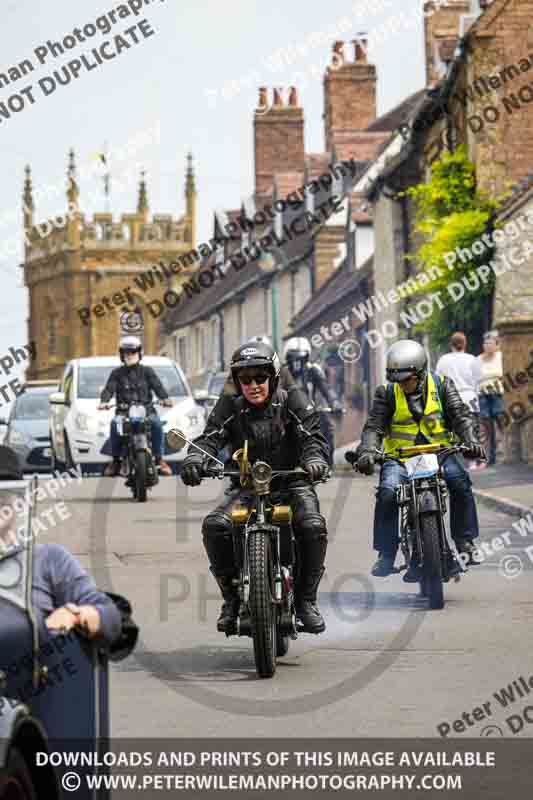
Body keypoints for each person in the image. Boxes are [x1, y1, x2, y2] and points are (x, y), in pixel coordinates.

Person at [180, 340, 330, 634]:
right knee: (215, 526)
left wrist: (313, 459)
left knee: (312, 526)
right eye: (245, 379)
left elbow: (313, 435)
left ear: (272, 377)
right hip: (247, 487)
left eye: (260, 377)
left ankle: (305, 601)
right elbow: (209, 436)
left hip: (292, 483)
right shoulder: (230, 404)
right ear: (237, 382)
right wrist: (195, 458)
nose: (253, 385)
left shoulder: (292, 398)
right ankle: (232, 599)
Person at [345, 339, 485, 580]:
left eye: (407, 379)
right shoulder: (386, 393)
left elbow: (460, 416)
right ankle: (386, 554)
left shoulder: (442, 385)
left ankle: (465, 541)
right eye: (397, 379)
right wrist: (367, 451)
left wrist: (471, 439)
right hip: (399, 457)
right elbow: (374, 427)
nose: (402, 384)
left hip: (440, 452)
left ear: (420, 373)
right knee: (388, 492)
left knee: (460, 482)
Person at [0, 445, 121, 645]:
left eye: (6, 488)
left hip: (34, 670)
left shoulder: (49, 559)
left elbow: (110, 615)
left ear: (20, 498)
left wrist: (76, 615)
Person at [97, 336, 174, 476]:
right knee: (115, 424)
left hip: (147, 411)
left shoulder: (148, 371)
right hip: (123, 412)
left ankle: (160, 460)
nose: (129, 355)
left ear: (139, 353)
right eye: (126, 352)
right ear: (121, 354)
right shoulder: (116, 373)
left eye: (133, 352)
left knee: (157, 424)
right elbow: (109, 388)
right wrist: (104, 401)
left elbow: (158, 386)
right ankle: (115, 461)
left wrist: (165, 398)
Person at [282, 337, 342, 467]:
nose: (297, 363)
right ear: (287, 357)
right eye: (293, 358)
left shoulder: (313, 370)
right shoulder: (281, 372)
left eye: (301, 358)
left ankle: (326, 464)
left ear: (307, 357)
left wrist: (334, 402)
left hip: (309, 411)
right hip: (286, 412)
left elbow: (326, 388)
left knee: (326, 427)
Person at [436, 332, 482, 470]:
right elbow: (477, 381)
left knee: (452, 431)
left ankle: (454, 462)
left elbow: (439, 381)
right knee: (471, 431)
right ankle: (472, 461)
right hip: (470, 398)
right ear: (465, 344)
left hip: (451, 398)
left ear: (451, 344)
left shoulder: (444, 360)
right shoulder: (472, 359)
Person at [477, 331, 505, 467]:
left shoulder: (500, 357)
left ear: (496, 345)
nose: (487, 346)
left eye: (490, 343)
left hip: (497, 393)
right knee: (486, 425)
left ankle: (503, 450)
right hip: (482, 394)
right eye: (485, 343)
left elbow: (503, 374)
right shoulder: (478, 359)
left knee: (500, 418)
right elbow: (475, 377)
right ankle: (490, 456)